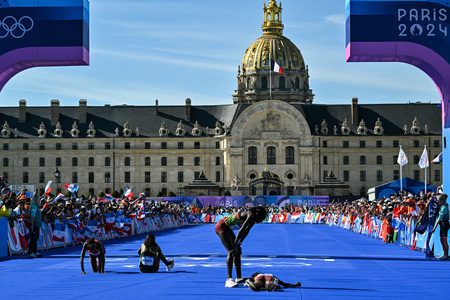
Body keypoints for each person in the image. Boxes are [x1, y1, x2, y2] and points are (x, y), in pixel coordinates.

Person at [214, 206, 268, 287]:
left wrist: (239, 243)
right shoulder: (251, 214)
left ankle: (239, 278)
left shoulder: (253, 220)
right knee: (232, 251)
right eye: (263, 217)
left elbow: (246, 231)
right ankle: (229, 279)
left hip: (228, 228)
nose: (262, 220)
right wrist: (235, 244)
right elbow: (242, 229)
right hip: (221, 227)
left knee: (238, 251)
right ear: (258, 214)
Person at [431, 194, 449, 260]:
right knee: (442, 239)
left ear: (442, 200)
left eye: (439, 201)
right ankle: (445, 253)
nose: (438, 202)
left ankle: (446, 254)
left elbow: (439, 218)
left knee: (443, 239)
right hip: (443, 223)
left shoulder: (444, 207)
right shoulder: (444, 206)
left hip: (444, 223)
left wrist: (434, 228)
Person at [28, 191, 43, 258]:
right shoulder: (34, 206)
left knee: (36, 237)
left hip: (37, 224)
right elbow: (32, 216)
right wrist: (32, 225)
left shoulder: (36, 207)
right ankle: (30, 252)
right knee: (33, 238)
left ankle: (35, 251)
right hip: (35, 224)